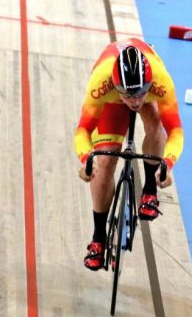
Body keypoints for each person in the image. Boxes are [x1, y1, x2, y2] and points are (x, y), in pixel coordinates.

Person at [74, 38, 184, 271]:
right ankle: (99, 238)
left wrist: (168, 164)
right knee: (104, 162)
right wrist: (86, 160)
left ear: (149, 84)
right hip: (112, 101)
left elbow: (175, 131)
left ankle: (150, 191)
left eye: (139, 94)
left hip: (144, 92)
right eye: (128, 95)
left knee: (156, 125)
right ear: (116, 85)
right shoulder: (101, 83)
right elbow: (82, 131)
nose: (134, 101)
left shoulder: (160, 82)